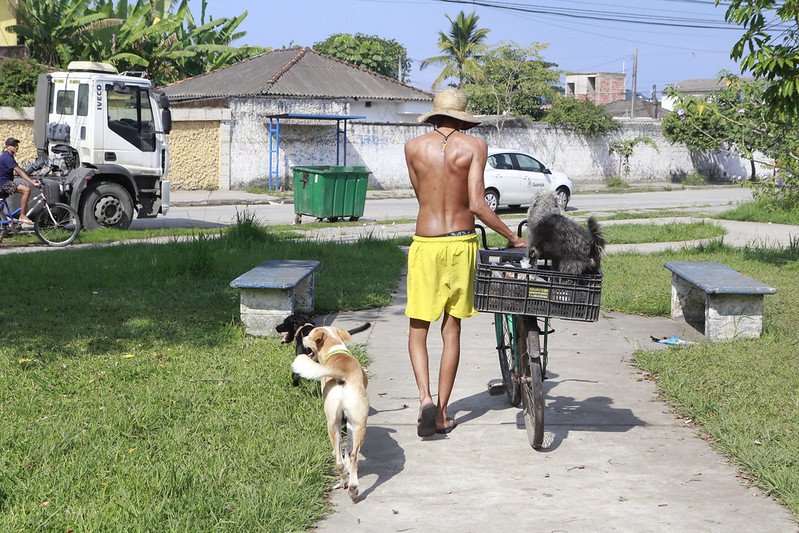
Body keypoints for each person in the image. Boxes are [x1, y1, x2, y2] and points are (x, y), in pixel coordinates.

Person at [404, 88, 526, 437]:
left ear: (434, 114)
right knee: (451, 328)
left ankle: (425, 399)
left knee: (418, 328)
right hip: (460, 243)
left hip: (425, 242)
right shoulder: (474, 147)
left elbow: (421, 194)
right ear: (462, 117)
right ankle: (442, 413)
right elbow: (476, 203)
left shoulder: (413, 148)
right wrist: (513, 237)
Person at [0, 138, 40, 224]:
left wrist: (31, 179)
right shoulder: (7, 157)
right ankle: (22, 216)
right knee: (26, 190)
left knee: (1, 208)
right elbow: (19, 171)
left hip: (2, 183)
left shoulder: (8, 156)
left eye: (17, 145)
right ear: (7, 147)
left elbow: (20, 171)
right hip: (3, 183)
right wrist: (32, 182)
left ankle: (3, 229)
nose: (16, 147)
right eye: (13, 145)